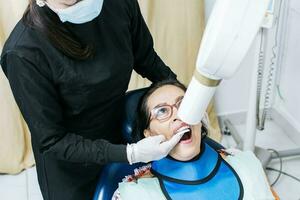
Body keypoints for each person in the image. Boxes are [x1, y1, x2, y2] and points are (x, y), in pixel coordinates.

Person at [0, 0, 185, 199]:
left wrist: (186, 99)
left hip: (119, 131)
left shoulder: (119, 5)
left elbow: (146, 58)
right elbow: (53, 140)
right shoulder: (23, 53)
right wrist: (130, 154)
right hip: (71, 164)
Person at [113, 79, 279, 200]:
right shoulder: (135, 194)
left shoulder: (246, 164)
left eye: (184, 104)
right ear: (148, 134)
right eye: (162, 111)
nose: (179, 115)